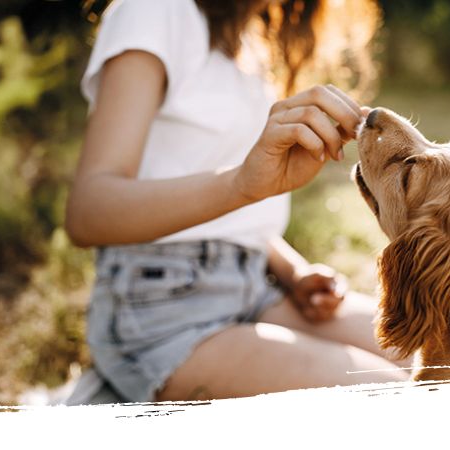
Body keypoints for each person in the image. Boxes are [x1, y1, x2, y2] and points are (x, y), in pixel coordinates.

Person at [61, 0, 407, 404]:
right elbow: (88, 212)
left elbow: (225, 217)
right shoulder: (153, 11)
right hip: (161, 312)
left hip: (254, 288)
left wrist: (292, 272)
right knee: (394, 398)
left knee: (449, 363)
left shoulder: (249, 38)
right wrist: (243, 184)